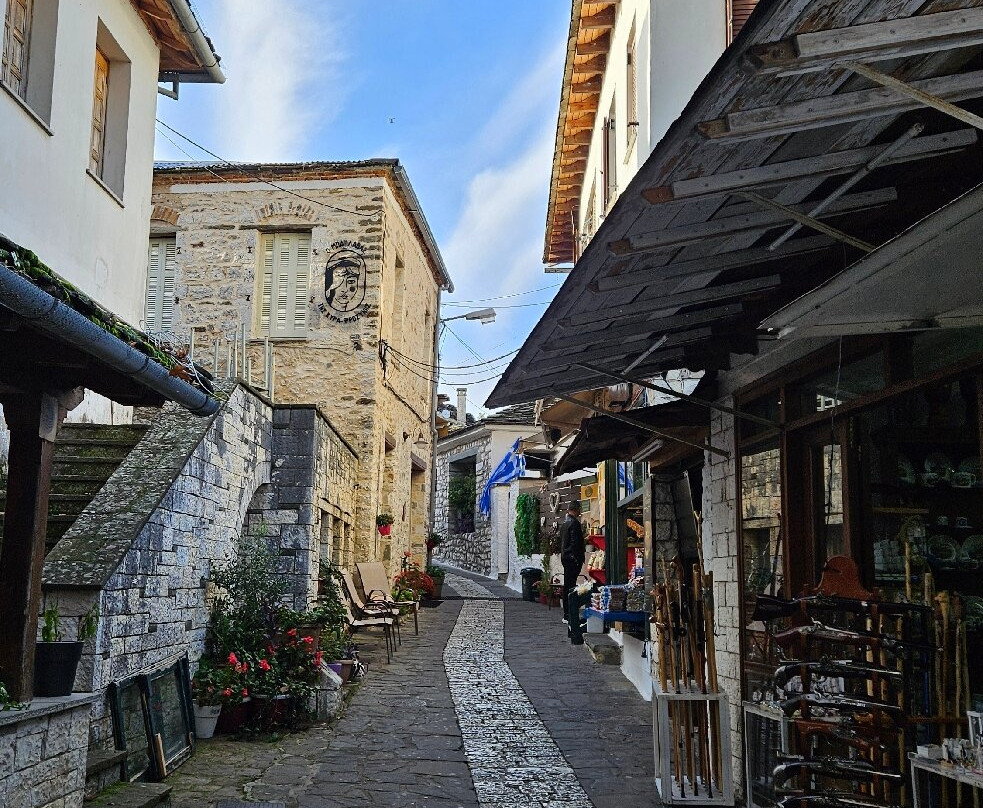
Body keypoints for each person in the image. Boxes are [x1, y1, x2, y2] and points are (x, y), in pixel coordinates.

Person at [558, 500, 585, 620]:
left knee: (568, 586)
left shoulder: (565, 522)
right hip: (572, 559)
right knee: (570, 587)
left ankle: (567, 614)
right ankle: (569, 614)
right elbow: (575, 543)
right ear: (577, 509)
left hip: (566, 557)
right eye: (579, 509)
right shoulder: (574, 523)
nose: (580, 512)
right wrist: (577, 559)